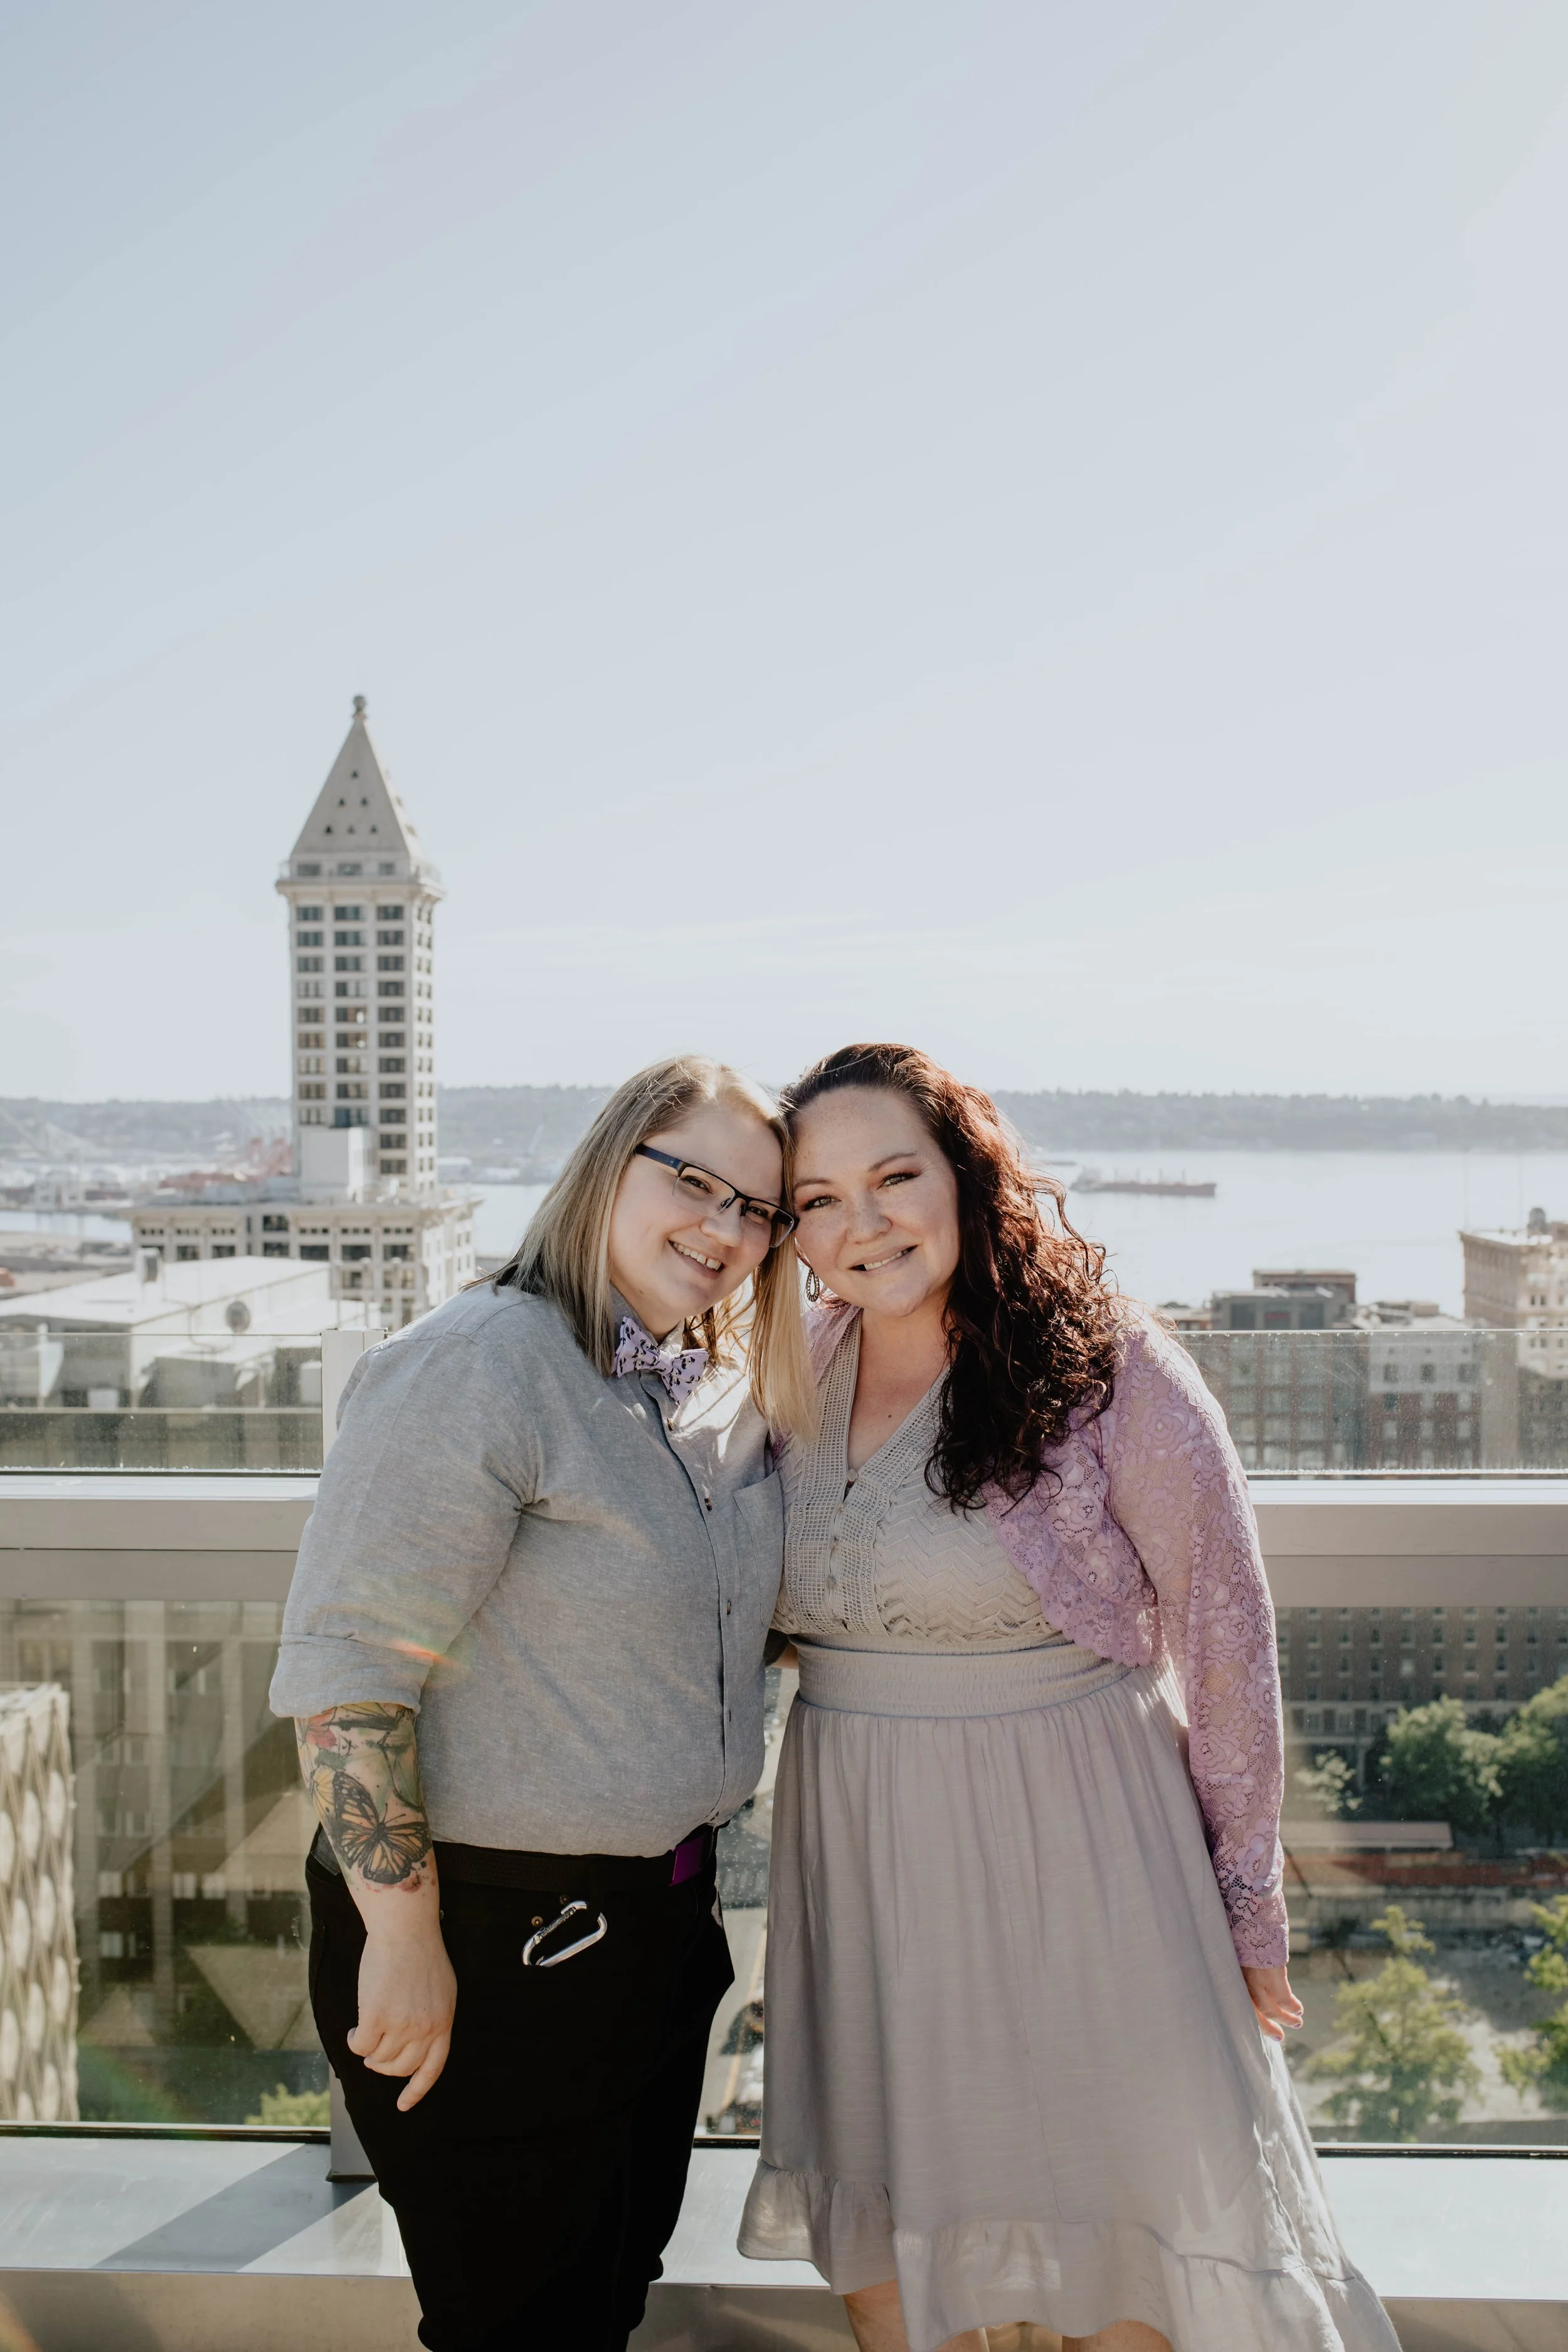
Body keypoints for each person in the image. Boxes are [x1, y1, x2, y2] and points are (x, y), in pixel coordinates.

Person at [738, 1044, 1399, 2352]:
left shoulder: (1105, 1366)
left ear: (965, 1177)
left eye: (893, 1176)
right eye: (817, 1198)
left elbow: (1224, 1642)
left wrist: (1247, 1904)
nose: (861, 1222)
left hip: (1082, 1848)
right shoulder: (777, 1373)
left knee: (1120, 2251)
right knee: (896, 2246)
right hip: (862, 1851)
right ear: (787, 1228)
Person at [270, 1054, 813, 2352]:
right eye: (694, 1182)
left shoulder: (703, 1385)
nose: (723, 1230)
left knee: (601, 2300)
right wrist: (403, 1939)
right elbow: (348, 1675)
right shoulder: (477, 1367)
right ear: (605, 1163)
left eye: (758, 1211)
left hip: (659, 1930)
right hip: (492, 1934)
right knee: (515, 2329)